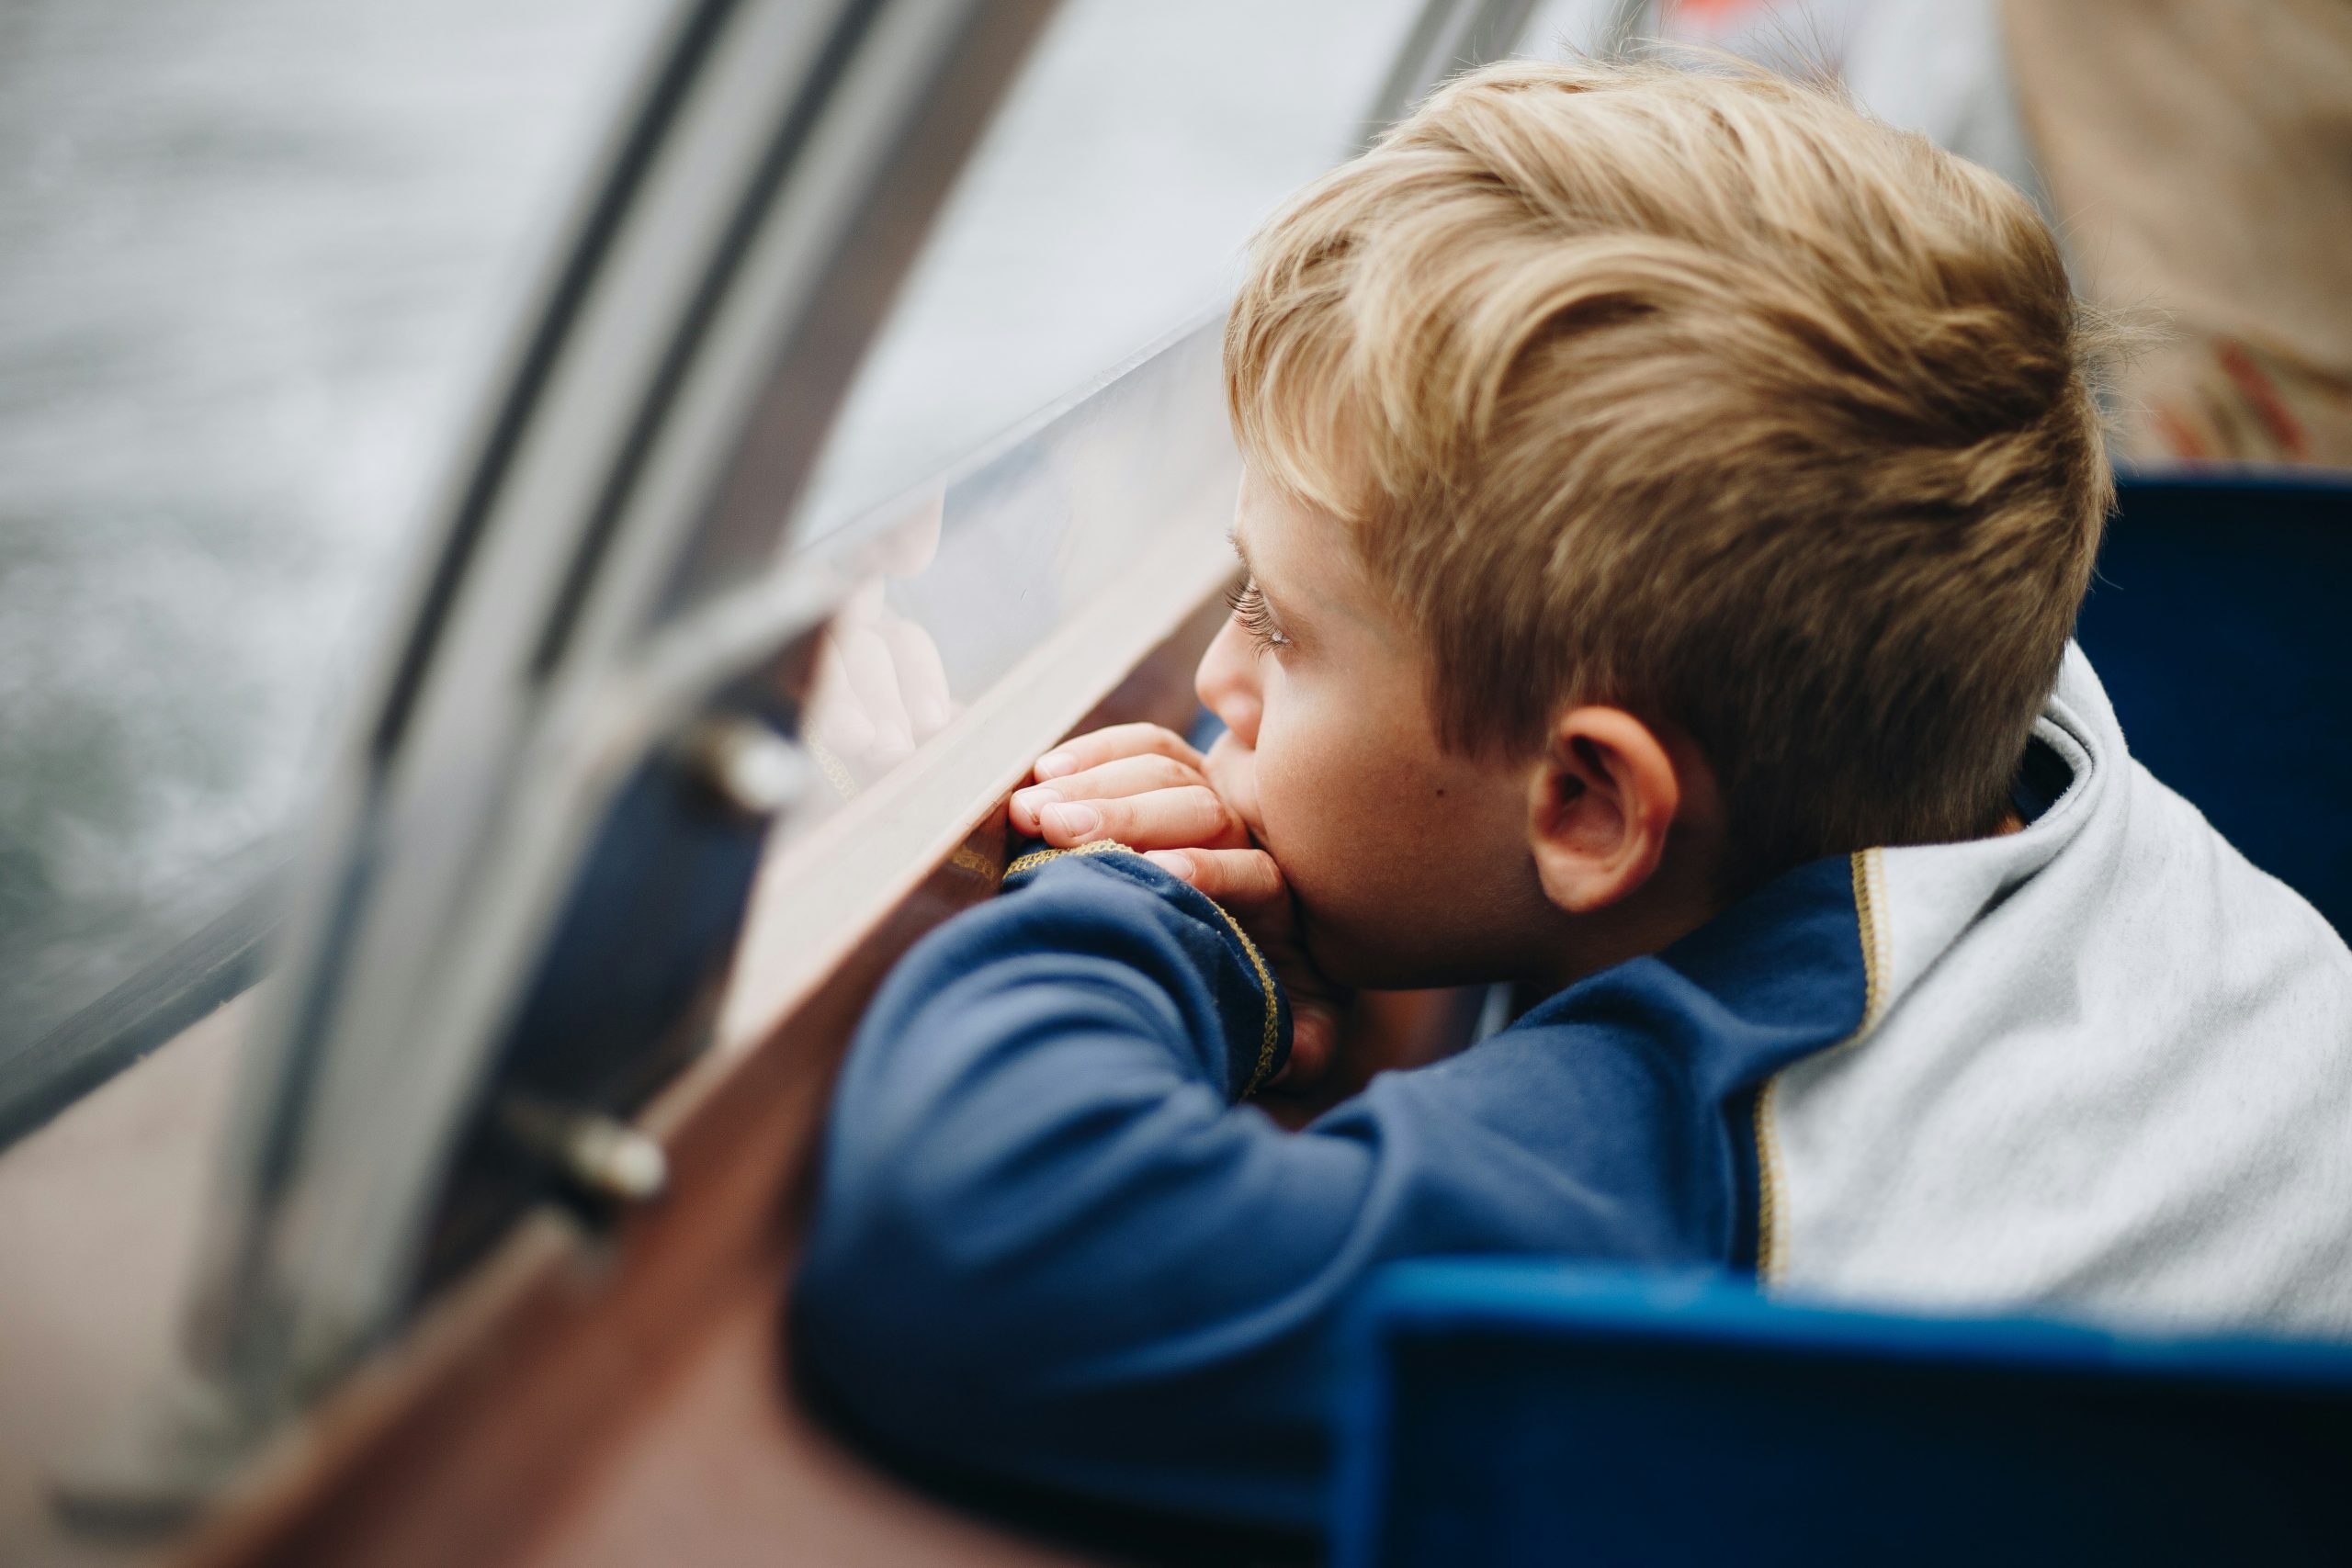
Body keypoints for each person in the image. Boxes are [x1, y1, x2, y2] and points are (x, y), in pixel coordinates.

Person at [794, 54, 2352, 1533]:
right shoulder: (2002, 720)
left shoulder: (1704, 1153)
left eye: (1277, 622)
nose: (1216, 676)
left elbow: (976, 1240)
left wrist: (1161, 911)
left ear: (1592, 810)